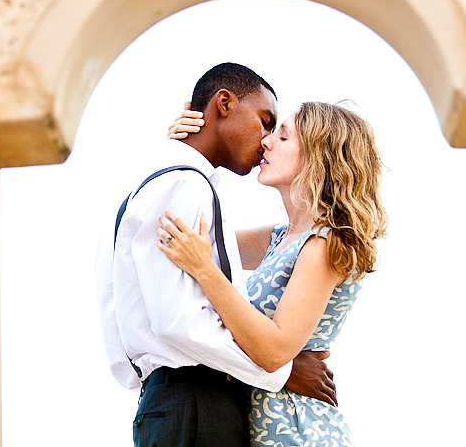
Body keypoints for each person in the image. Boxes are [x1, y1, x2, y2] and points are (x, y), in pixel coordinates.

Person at [94, 63, 337, 447]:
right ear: (224, 103)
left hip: (181, 402)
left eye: (280, 133)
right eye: (265, 121)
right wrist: (283, 373)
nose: (266, 140)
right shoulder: (186, 187)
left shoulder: (168, 184)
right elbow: (179, 321)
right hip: (196, 402)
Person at [158, 100, 387, 447]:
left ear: (316, 157)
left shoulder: (324, 244)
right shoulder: (281, 237)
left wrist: (205, 270)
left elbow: (275, 349)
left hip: (299, 432)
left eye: (282, 137)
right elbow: (192, 237)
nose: (265, 142)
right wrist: (183, 150)